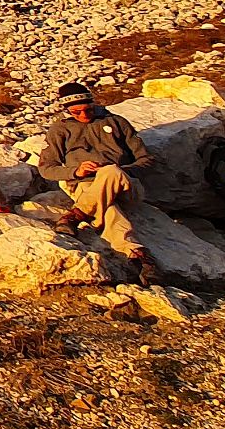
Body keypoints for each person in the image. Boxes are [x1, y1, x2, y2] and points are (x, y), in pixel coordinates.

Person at [35, 82, 158, 281]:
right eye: (77, 112)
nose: (84, 115)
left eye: (88, 109)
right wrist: (77, 170)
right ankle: (139, 257)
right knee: (110, 211)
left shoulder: (117, 122)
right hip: (85, 184)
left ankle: (76, 215)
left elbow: (147, 160)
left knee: (110, 171)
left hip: (125, 185)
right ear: (67, 111)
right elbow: (46, 168)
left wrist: (120, 171)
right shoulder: (60, 129)